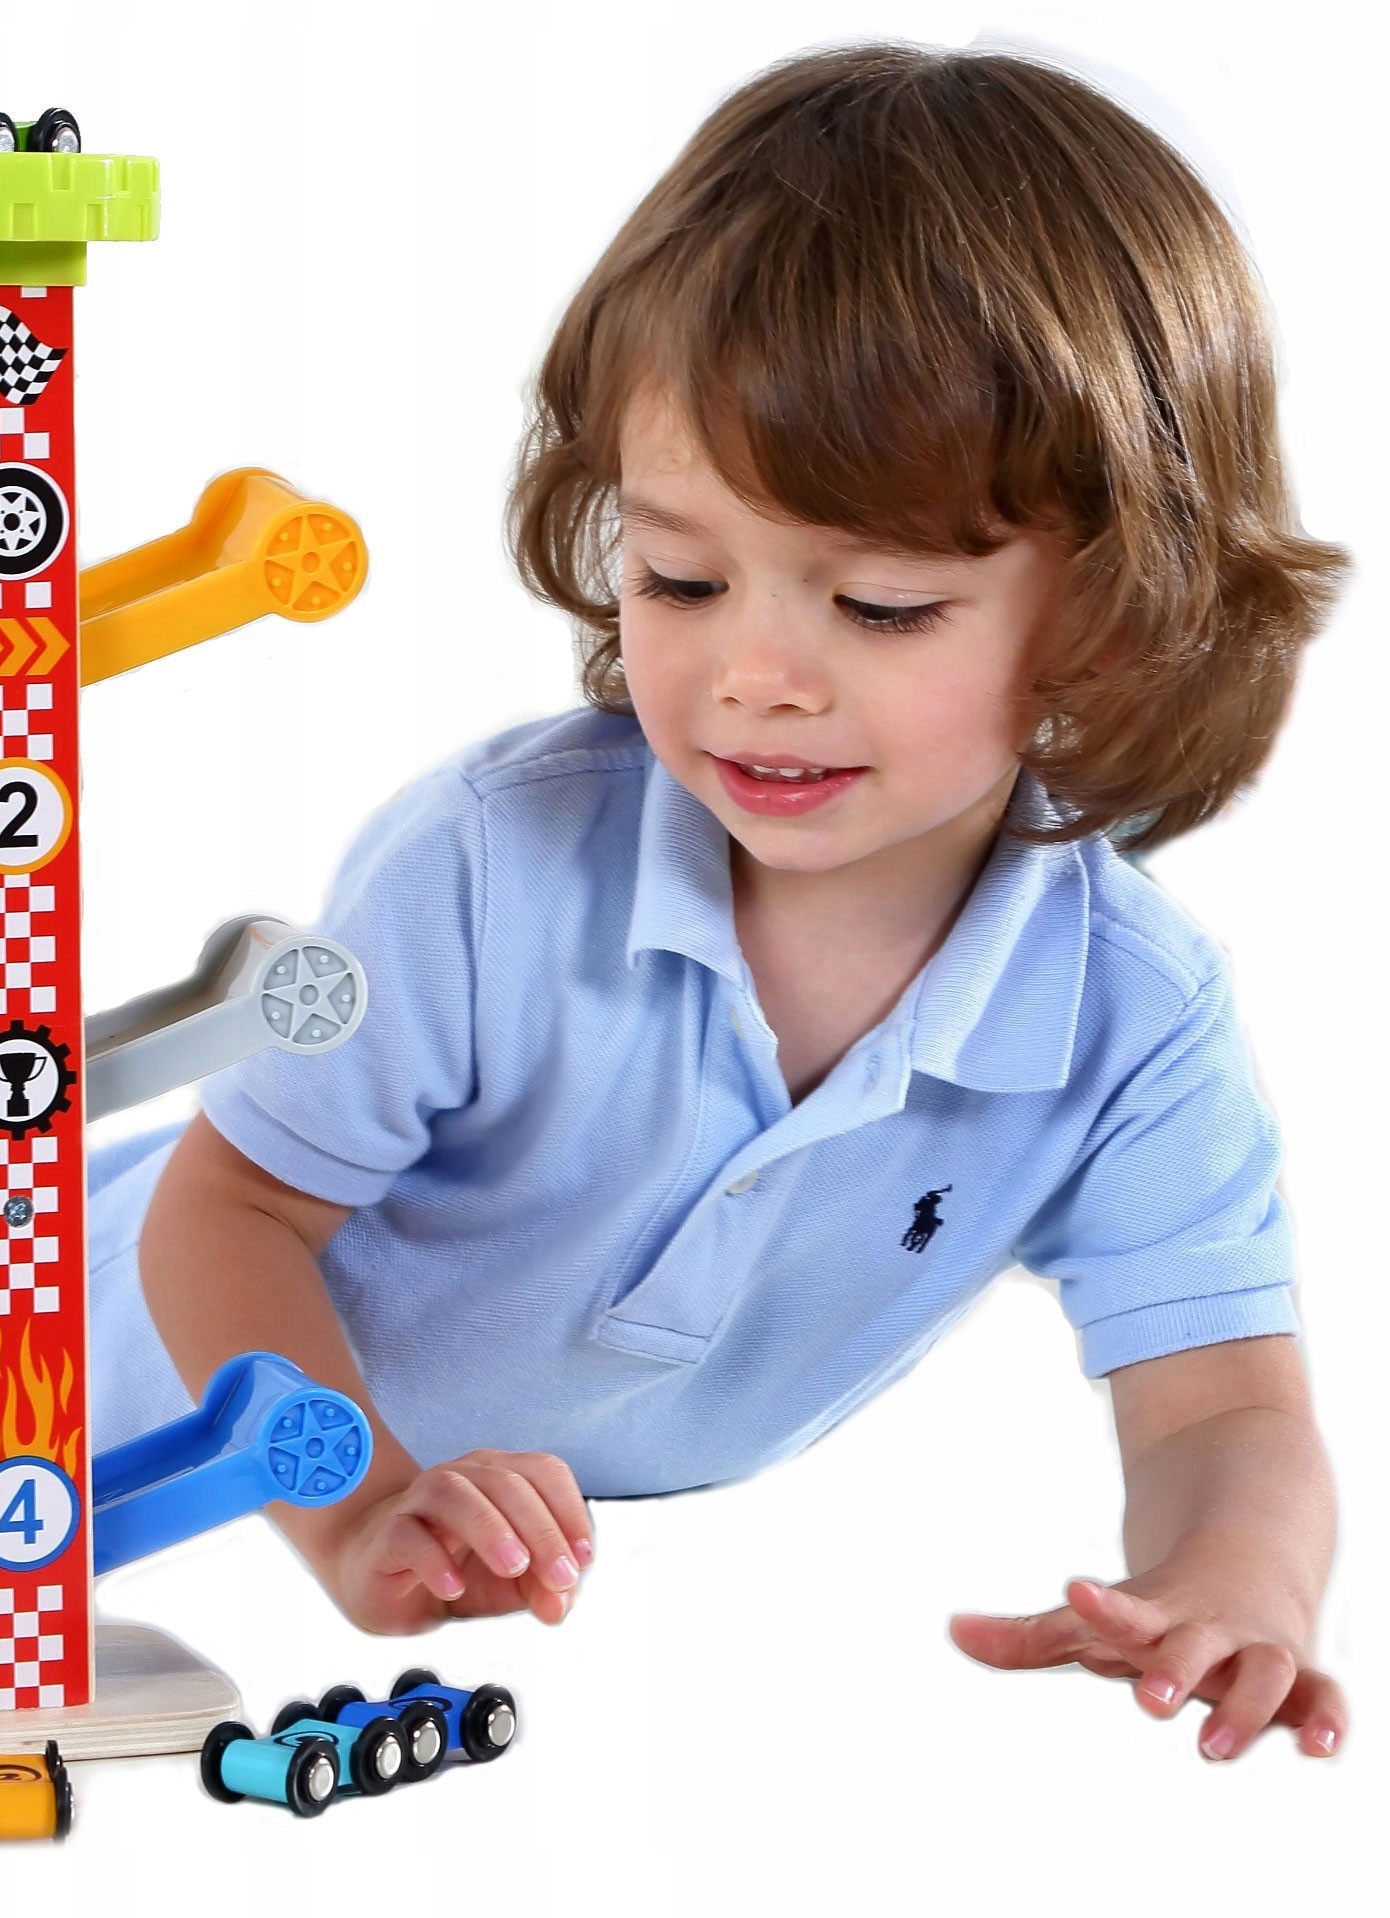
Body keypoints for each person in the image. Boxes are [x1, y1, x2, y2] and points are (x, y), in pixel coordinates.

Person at [81, 43, 1350, 1761]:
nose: (753, 673)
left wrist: (1230, 1583)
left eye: (878, 605)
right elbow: (224, 1211)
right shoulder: (484, 865)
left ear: (1117, 609)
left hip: (421, 1580)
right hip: (59, 1418)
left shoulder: (1126, 1014)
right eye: (679, 575)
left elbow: (1220, 1399)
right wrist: (358, 1499)